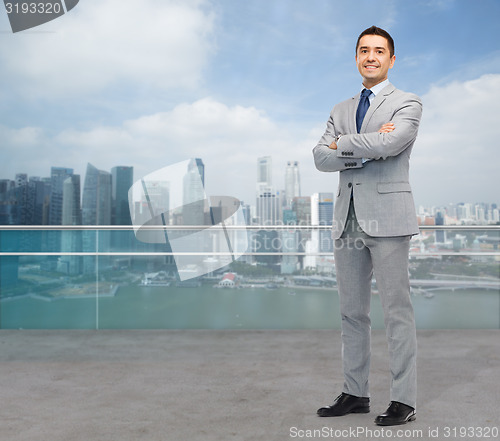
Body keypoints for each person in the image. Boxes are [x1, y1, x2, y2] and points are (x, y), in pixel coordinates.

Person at [312, 25, 422, 426]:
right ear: (356, 57)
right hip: (348, 219)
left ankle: (404, 400)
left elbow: (392, 145)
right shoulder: (340, 108)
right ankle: (355, 393)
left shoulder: (408, 102)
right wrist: (365, 143)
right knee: (351, 313)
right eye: (363, 50)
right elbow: (319, 159)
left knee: (397, 312)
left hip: (389, 219)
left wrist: (343, 144)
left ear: (391, 59)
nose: (370, 56)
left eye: (379, 51)